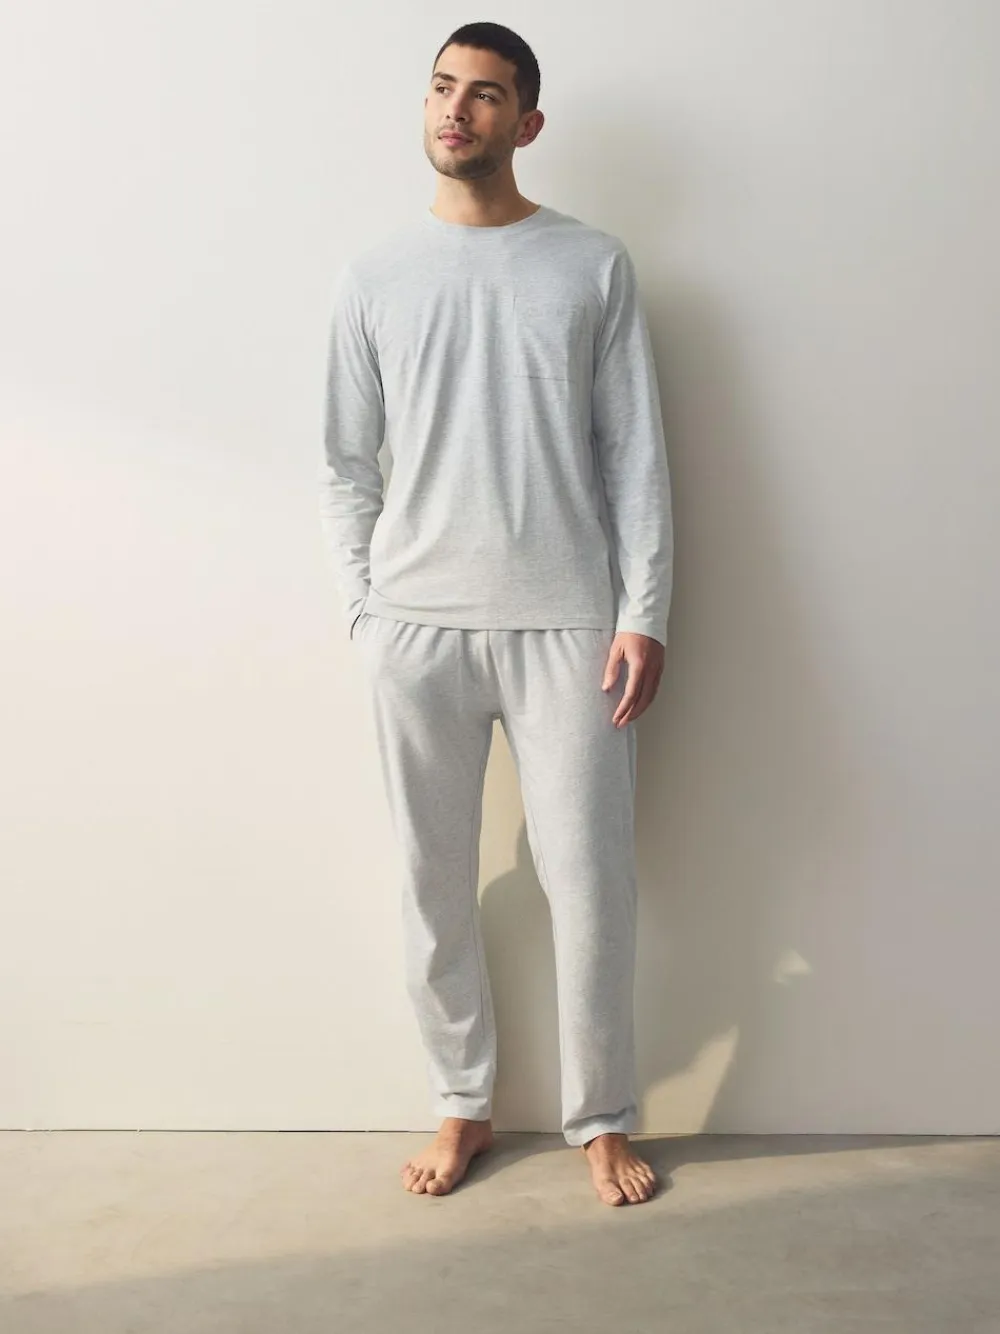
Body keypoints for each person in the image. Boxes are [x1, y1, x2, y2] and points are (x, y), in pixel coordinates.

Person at [319, 21, 673, 1207]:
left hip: (569, 624)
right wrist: (364, 609)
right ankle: (460, 1100)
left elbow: (635, 456)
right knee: (433, 880)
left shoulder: (593, 265)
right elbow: (343, 462)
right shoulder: (375, 275)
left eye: (482, 94)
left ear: (526, 122)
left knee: (592, 883)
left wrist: (643, 611)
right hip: (414, 625)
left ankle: (602, 1117)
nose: (454, 109)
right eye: (440, 87)